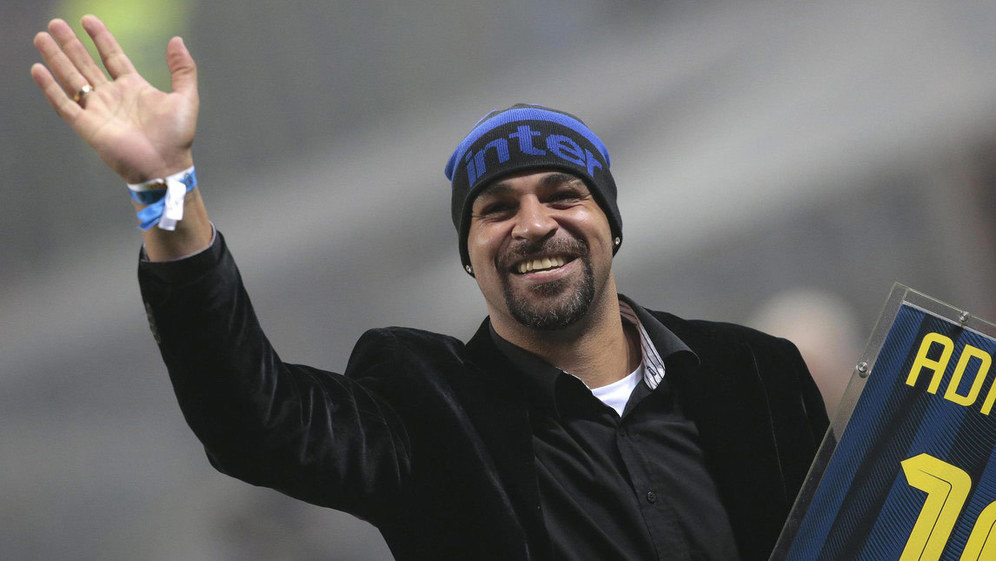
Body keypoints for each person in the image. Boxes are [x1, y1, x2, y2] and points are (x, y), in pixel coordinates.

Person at [31, 16, 829, 561]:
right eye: (496, 209)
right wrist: (166, 189)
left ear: (609, 224)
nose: (533, 224)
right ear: (470, 253)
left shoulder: (758, 374)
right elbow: (253, 417)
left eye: (562, 194)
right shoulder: (429, 410)